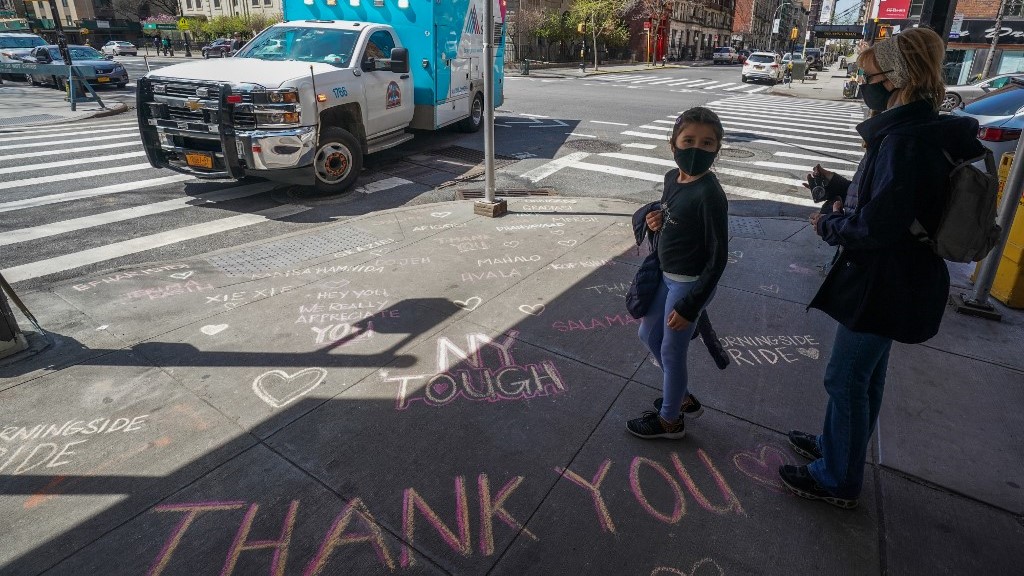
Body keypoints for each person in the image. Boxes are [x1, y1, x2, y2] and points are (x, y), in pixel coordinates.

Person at [778, 27, 986, 509]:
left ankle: (836, 477)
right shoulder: (921, 130)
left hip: (885, 279)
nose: (861, 82)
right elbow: (898, 201)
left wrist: (829, 226)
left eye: (867, 73)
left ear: (896, 78)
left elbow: (879, 225)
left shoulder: (902, 140)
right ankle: (840, 451)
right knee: (865, 377)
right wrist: (840, 186)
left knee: (845, 378)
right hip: (903, 277)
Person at [627, 107, 729, 440]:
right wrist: (655, 219)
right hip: (665, 275)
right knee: (647, 335)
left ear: (717, 149)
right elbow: (669, 216)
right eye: (689, 140)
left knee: (672, 350)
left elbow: (718, 257)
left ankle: (670, 420)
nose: (696, 149)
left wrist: (691, 306)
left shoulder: (711, 195)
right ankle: (681, 397)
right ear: (673, 144)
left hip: (688, 285)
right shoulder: (673, 179)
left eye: (707, 143)